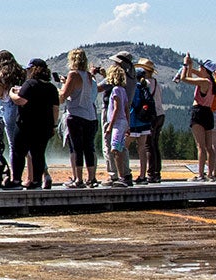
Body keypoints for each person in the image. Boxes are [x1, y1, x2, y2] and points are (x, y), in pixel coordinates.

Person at [11, 59, 59, 190]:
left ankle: (16, 180)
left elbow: (21, 101)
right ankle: (37, 181)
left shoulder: (30, 84)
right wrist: (54, 125)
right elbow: (56, 108)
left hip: (25, 125)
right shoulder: (52, 88)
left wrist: (12, 93)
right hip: (44, 126)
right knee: (38, 153)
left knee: (18, 152)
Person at [59, 48, 99, 189]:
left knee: (77, 148)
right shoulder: (88, 75)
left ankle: (79, 179)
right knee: (89, 147)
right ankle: (92, 178)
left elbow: (63, 95)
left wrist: (61, 85)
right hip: (90, 115)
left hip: (76, 114)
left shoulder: (73, 74)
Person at [176, 56, 216, 181]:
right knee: (208, 146)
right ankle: (211, 174)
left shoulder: (204, 81)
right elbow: (191, 74)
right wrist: (190, 66)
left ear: (204, 69)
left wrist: (185, 65)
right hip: (208, 113)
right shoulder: (211, 81)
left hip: (199, 112)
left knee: (200, 146)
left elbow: (184, 78)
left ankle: (201, 174)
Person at [0, 52, 23, 189]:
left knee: (14, 145)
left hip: (9, 107)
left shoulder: (1, 75)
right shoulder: (21, 73)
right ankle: (40, 175)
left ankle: (15, 178)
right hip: (23, 108)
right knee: (28, 146)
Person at [102, 59, 135, 187]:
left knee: (114, 149)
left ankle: (120, 177)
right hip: (123, 123)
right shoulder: (123, 90)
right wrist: (128, 124)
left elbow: (116, 108)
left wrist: (110, 126)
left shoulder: (115, 90)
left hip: (116, 123)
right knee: (120, 148)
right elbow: (126, 108)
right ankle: (123, 176)